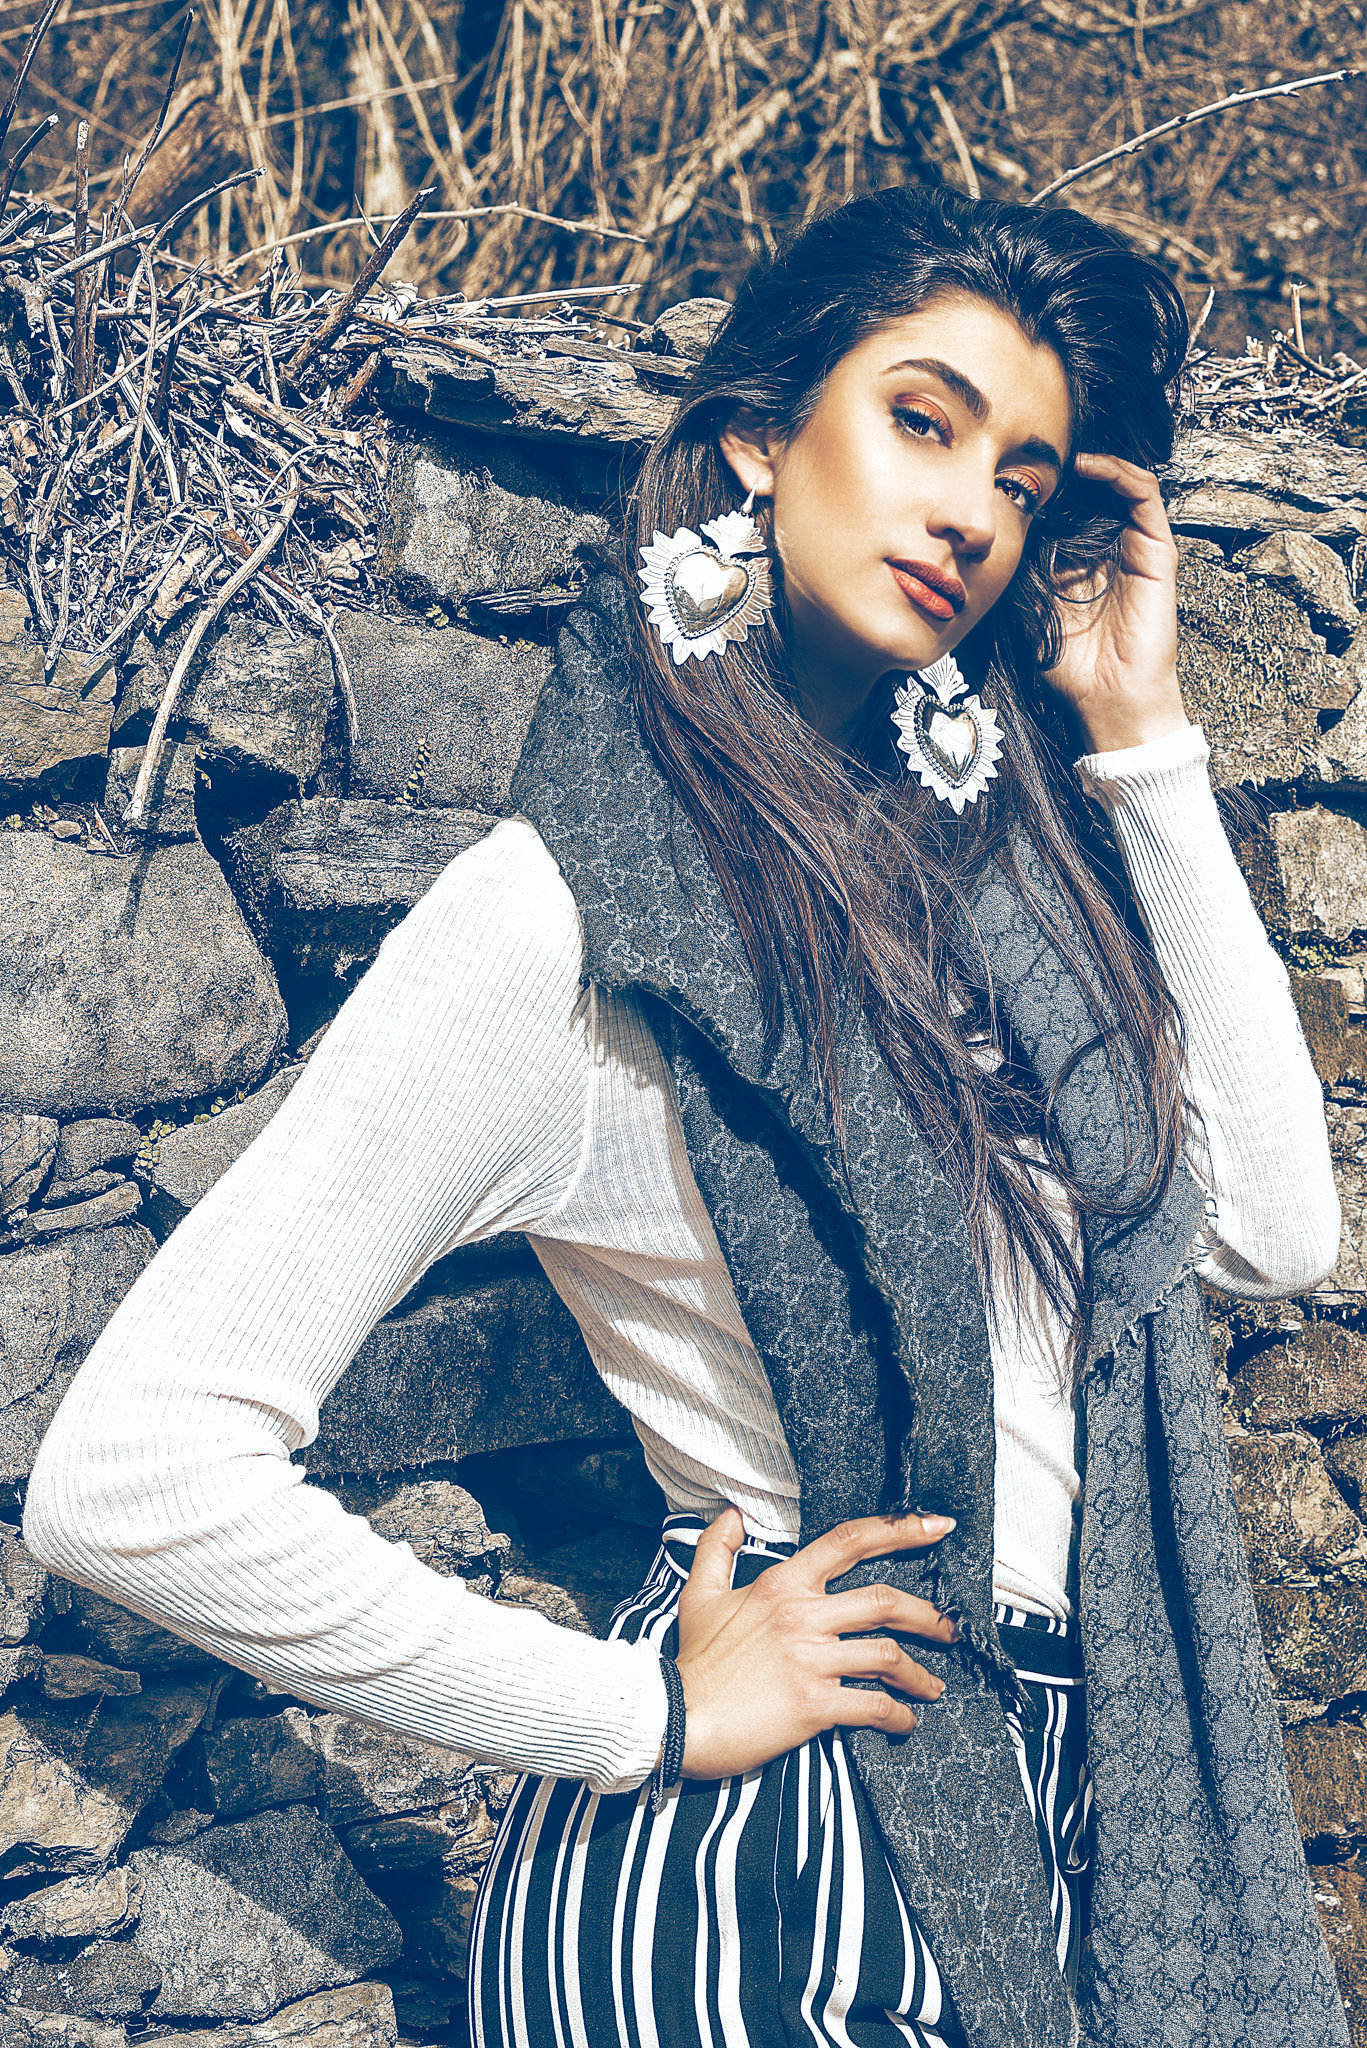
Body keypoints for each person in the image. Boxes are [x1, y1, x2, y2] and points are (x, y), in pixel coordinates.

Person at [23, 185, 1349, 2048]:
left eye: (1024, 480)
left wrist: (1141, 736)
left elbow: (1271, 1231)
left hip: (1031, 1802)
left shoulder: (998, 908)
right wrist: (633, 1710)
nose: (972, 511)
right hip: (748, 1874)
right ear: (759, 438)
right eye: (922, 420)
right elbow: (129, 1479)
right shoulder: (571, 914)